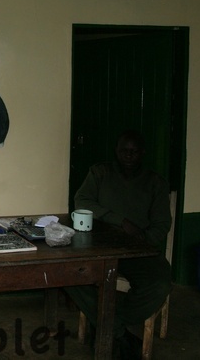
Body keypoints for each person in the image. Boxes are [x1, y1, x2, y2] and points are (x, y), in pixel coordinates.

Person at [66, 130, 172, 360]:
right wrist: (120, 221)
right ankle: (117, 332)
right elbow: (82, 201)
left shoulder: (155, 183)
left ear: (142, 153)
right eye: (124, 151)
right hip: (99, 247)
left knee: (160, 283)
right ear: (116, 151)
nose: (129, 156)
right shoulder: (100, 173)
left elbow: (162, 224)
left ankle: (109, 325)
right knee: (68, 274)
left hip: (138, 250)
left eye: (134, 152)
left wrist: (141, 242)